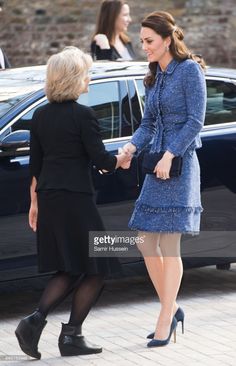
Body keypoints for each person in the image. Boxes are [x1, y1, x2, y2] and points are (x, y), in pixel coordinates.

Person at [15, 46, 131, 359]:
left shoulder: (40, 115)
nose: (89, 78)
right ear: (73, 77)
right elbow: (103, 161)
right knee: (100, 265)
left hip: (51, 197)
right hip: (76, 199)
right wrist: (121, 159)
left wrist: (34, 203)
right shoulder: (84, 115)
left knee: (71, 266)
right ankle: (61, 333)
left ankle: (45, 327)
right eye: (86, 73)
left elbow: (36, 166)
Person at [121, 11, 207, 347]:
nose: (144, 47)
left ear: (167, 40)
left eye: (149, 41)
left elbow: (195, 122)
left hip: (180, 164)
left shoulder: (189, 71)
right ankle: (171, 309)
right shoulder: (155, 75)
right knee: (144, 241)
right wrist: (129, 148)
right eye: (142, 41)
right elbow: (147, 125)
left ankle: (164, 317)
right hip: (157, 165)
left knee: (169, 245)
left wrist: (172, 154)